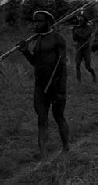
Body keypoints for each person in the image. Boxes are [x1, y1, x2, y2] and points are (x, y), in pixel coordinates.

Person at [18, 10, 69, 159]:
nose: (36, 24)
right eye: (34, 21)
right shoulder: (38, 40)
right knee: (41, 118)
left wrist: (60, 89)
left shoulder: (58, 39)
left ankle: (66, 147)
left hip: (56, 86)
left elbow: (62, 65)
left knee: (59, 116)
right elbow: (35, 62)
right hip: (40, 86)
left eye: (39, 21)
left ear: (48, 22)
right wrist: (25, 51)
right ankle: (43, 155)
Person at [72, 13, 96, 82]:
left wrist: (76, 32)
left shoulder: (88, 28)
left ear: (85, 21)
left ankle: (93, 75)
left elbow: (85, 36)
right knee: (77, 64)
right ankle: (79, 81)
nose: (79, 21)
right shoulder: (76, 28)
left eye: (81, 20)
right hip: (79, 48)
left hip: (86, 48)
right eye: (79, 20)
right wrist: (73, 32)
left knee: (88, 66)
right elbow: (74, 39)